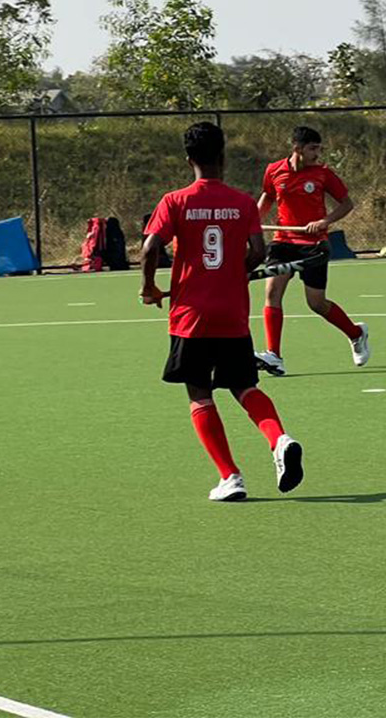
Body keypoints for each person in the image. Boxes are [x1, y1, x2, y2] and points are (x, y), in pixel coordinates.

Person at [142, 121, 303, 502]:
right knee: (245, 386)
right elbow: (258, 252)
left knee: (199, 393)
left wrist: (148, 287)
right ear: (223, 157)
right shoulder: (243, 202)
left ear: (188, 159)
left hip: (191, 316)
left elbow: (150, 248)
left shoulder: (175, 201)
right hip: (232, 315)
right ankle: (279, 439)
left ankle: (230, 476)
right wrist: (236, 271)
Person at [254, 126, 367, 376]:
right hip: (283, 241)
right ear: (297, 148)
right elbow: (268, 198)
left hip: (313, 245)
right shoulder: (274, 170)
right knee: (272, 293)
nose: (318, 153)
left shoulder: (323, 174)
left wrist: (325, 221)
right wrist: (252, 223)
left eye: (319, 148)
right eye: (313, 148)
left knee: (316, 303)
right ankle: (274, 356)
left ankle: (356, 333)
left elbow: (346, 204)